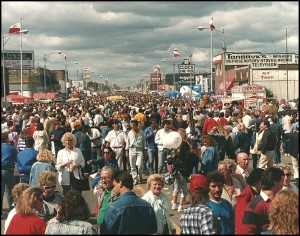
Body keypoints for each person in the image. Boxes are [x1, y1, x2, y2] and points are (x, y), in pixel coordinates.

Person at [100, 170, 157, 234]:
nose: (114, 189)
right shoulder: (147, 206)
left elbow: (105, 231)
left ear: (120, 183)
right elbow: (153, 229)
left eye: (114, 185)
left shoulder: (114, 207)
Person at [241, 167, 284, 234]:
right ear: (275, 182)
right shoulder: (254, 206)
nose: (283, 184)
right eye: (282, 181)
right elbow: (248, 231)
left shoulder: (280, 202)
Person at [235, 168, 265, 235]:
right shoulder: (245, 195)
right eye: (262, 180)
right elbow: (241, 218)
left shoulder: (260, 192)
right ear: (255, 181)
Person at [171, 140, 198, 212]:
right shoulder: (190, 154)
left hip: (176, 172)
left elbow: (171, 161)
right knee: (184, 190)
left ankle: (174, 204)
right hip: (184, 173)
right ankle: (180, 206)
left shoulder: (177, 153)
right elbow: (196, 161)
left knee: (176, 187)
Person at [207, 170, 235, 235]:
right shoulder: (206, 206)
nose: (217, 189)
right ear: (208, 187)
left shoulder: (227, 204)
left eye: (219, 186)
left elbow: (232, 226)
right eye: (213, 186)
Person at [95, 166, 118, 232]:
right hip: (101, 228)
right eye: (101, 178)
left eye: (106, 178)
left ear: (113, 179)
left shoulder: (116, 193)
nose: (103, 180)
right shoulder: (103, 192)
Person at [125, 119, 147, 185]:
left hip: (139, 149)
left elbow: (144, 141)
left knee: (139, 165)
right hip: (131, 149)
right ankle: (135, 179)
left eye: (134, 125)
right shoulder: (129, 133)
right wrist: (126, 151)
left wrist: (145, 149)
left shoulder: (141, 132)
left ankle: (139, 175)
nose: (133, 126)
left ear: (137, 125)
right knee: (132, 165)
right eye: (132, 125)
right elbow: (127, 142)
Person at [1, 132, 18, 214]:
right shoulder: (11, 148)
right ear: (7, 139)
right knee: (10, 190)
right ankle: (11, 209)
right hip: (8, 170)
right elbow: (16, 158)